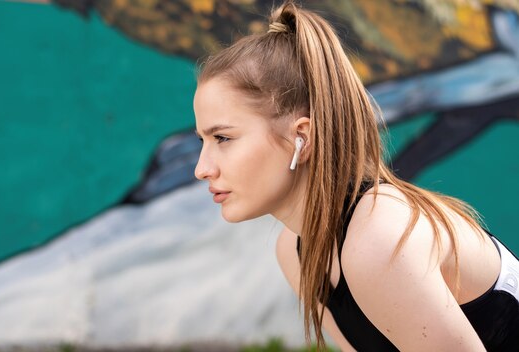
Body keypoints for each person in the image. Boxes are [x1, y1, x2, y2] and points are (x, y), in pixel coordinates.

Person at [192, 1, 519, 351]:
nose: (201, 169)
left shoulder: (379, 237)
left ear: (301, 136)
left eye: (223, 138)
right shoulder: (296, 251)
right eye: (202, 141)